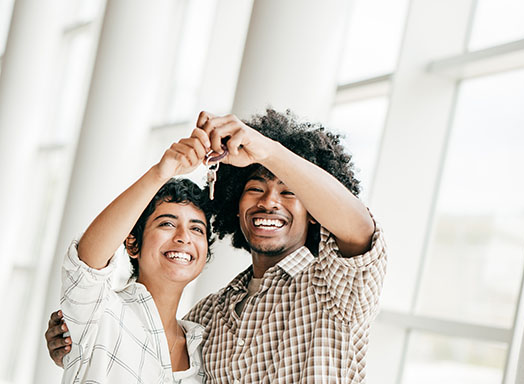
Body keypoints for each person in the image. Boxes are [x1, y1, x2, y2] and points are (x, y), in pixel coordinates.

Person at [47, 109, 387, 383]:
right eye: (255, 188)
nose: (269, 202)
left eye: (288, 192)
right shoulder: (207, 320)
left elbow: (359, 229)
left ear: (314, 212)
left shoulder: (335, 288)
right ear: (235, 204)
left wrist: (265, 149)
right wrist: (80, 339)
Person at [58, 133, 216, 383]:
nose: (184, 237)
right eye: (167, 223)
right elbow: (86, 264)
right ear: (132, 243)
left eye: (197, 229)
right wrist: (160, 173)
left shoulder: (204, 349)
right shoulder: (100, 312)